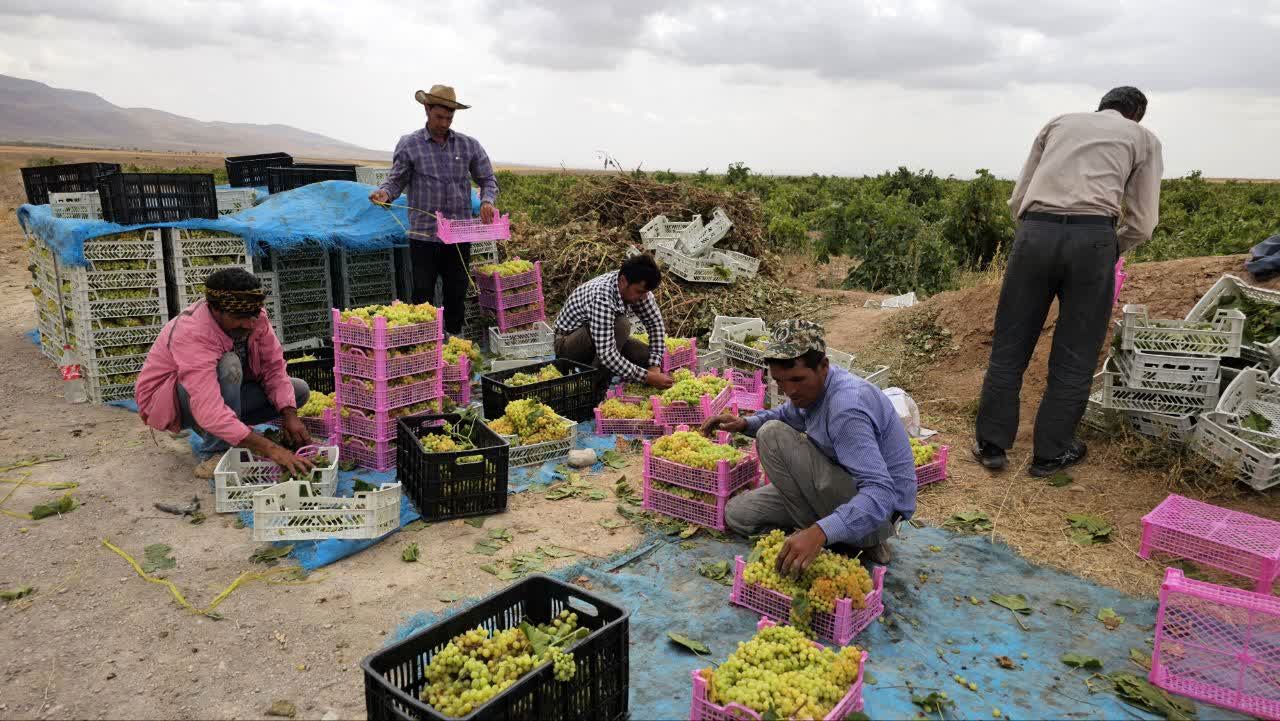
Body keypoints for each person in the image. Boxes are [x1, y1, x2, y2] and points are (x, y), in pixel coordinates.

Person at [974, 86, 1163, 477]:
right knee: (1076, 352)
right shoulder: (1142, 138)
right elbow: (1143, 224)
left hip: (1035, 232)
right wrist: (1110, 247)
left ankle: (992, 446)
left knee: (1010, 345)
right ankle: (1050, 454)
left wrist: (1038, 233)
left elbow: (1018, 199)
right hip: (1094, 239)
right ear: (1136, 114)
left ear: (1102, 105)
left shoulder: (1058, 124)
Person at [702, 320, 917, 572]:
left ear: (823, 366)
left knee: (771, 434)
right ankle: (828, 533)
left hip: (878, 515)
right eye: (780, 381)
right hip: (832, 490)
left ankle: (857, 539)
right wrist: (744, 424)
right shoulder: (812, 392)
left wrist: (819, 532)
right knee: (738, 514)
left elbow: (881, 493)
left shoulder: (846, 410)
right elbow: (785, 415)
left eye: (797, 379)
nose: (790, 390)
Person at [134, 268, 315, 479]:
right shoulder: (193, 330)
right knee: (229, 364)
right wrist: (271, 449)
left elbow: (273, 368)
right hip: (170, 401)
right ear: (215, 309)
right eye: (239, 318)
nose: (248, 324)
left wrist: (290, 415)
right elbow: (208, 407)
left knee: (298, 391)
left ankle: (225, 430)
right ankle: (216, 452)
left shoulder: (255, 318)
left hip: (217, 395)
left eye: (253, 316)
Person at [369, 84, 499, 335]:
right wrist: (384, 194)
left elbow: (487, 179)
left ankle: (455, 344)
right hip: (424, 237)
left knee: (456, 293)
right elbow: (396, 181)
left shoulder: (468, 146)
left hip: (458, 236)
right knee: (423, 296)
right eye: (439, 117)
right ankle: (424, 345)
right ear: (427, 109)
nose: (444, 123)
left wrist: (487, 201)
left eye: (449, 118)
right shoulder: (410, 144)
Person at [553, 254, 675, 389]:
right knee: (621, 325)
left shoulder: (637, 290)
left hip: (599, 340)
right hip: (567, 346)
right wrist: (648, 377)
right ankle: (592, 386)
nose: (644, 297)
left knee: (644, 356)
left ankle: (603, 372)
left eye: (646, 292)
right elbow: (607, 355)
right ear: (623, 281)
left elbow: (655, 325)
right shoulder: (602, 297)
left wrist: (654, 366)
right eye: (640, 291)